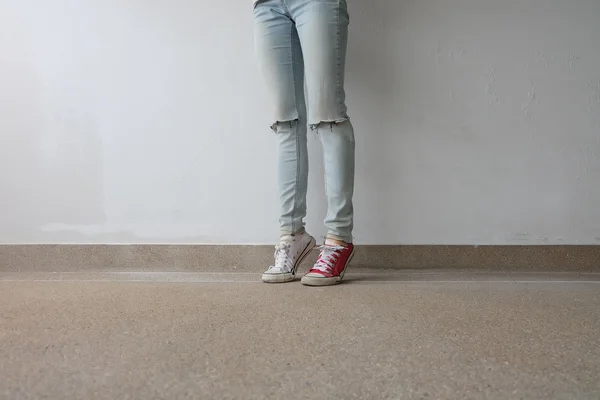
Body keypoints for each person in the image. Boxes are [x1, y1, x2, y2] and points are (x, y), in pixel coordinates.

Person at [254, 0, 355, 286]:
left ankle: (338, 238)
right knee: (285, 122)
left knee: (328, 117)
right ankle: (292, 235)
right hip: (267, 6)